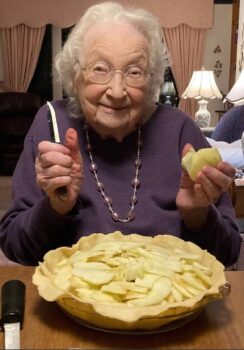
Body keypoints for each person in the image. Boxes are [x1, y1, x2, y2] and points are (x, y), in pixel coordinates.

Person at [0, 2, 241, 267]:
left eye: (134, 72)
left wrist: (197, 215)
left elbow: (229, 252)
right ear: (74, 74)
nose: (116, 91)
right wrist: (56, 208)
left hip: (170, 306)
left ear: (151, 81)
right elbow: (15, 247)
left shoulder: (181, 130)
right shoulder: (51, 124)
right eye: (100, 69)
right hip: (73, 304)